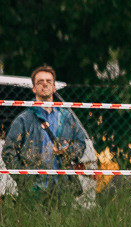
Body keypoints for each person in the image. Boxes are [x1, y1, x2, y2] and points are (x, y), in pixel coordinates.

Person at [1, 66, 90, 201]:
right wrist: (24, 179)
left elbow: (81, 143)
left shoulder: (66, 117)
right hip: (34, 191)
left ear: (54, 88)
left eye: (49, 81)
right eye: (40, 82)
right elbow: (8, 151)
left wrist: (68, 151)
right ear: (34, 88)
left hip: (62, 188)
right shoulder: (24, 119)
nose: (45, 84)